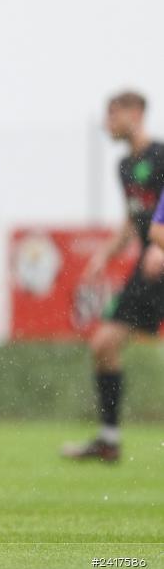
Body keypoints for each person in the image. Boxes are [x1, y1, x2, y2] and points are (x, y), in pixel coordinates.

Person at [61, 91, 164, 462]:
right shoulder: (124, 166)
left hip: (159, 261)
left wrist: (160, 245)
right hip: (148, 268)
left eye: (113, 114)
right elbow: (133, 221)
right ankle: (108, 440)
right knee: (104, 345)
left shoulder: (160, 155)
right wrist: (104, 254)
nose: (107, 123)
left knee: (105, 344)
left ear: (136, 113)